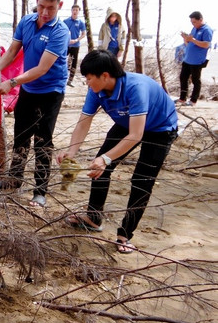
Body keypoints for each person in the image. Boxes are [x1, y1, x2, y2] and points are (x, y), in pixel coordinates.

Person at [56, 50, 178, 254]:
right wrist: (72, 151)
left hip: (160, 128)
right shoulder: (96, 90)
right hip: (126, 124)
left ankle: (125, 235)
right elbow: (83, 123)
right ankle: (93, 218)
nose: (87, 82)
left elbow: (136, 134)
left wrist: (106, 158)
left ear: (105, 75)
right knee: (99, 167)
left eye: (89, 78)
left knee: (141, 180)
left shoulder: (135, 88)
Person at [0, 0, 69, 208]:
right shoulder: (27, 22)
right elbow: (12, 50)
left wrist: (11, 82)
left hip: (50, 91)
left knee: (43, 140)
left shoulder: (61, 32)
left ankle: (40, 190)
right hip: (29, 89)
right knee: (21, 135)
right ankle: (14, 179)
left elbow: (42, 69)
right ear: (37, 1)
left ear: (59, 5)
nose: (45, 12)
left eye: (51, 8)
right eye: (41, 6)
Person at [178, 11, 213, 106]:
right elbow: (189, 43)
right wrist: (185, 38)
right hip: (188, 58)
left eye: (194, 22)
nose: (193, 24)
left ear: (200, 20)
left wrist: (192, 40)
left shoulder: (207, 30)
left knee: (195, 80)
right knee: (183, 78)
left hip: (197, 60)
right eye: (192, 22)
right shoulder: (194, 28)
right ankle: (182, 98)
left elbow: (206, 44)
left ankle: (193, 101)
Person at [64, 4, 86, 86]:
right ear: (71, 11)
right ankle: (61, 77)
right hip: (66, 45)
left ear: (79, 12)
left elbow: (84, 34)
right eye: (74, 10)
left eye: (77, 10)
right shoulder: (66, 21)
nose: (75, 12)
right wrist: (67, 40)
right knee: (62, 60)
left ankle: (70, 81)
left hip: (75, 45)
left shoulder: (81, 22)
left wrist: (76, 40)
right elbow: (62, 31)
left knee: (74, 62)